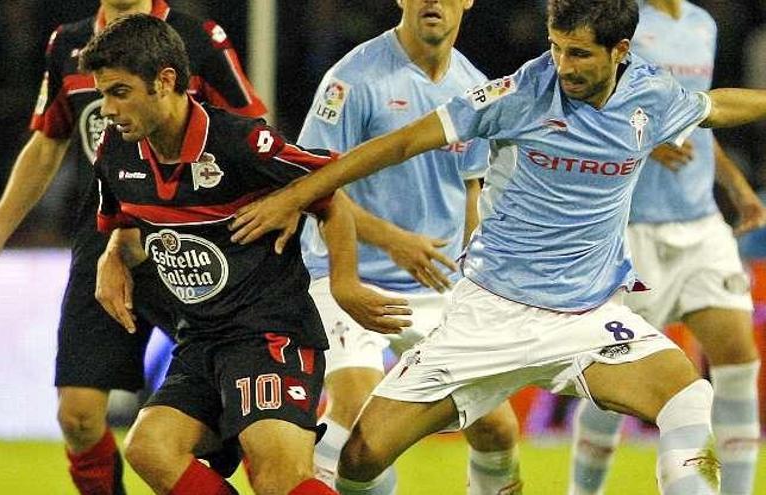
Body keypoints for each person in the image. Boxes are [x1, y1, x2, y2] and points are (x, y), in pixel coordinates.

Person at [229, 0, 766, 492]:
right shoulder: (516, 95)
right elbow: (401, 143)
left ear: (620, 52)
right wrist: (297, 194)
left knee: (689, 398)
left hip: (586, 315)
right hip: (487, 317)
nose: (564, 65)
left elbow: (715, 106)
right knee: (360, 459)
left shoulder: (652, 95)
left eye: (579, 53)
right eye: (556, 48)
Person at [83, 14, 410, 495]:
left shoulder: (239, 144)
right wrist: (110, 257)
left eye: (119, 91)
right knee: (149, 448)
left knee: (278, 479)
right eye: (103, 93)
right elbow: (124, 225)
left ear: (165, 81)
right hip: (199, 341)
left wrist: (344, 283)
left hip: (269, 335)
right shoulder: (117, 150)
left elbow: (330, 197)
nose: (107, 108)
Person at [0, 1, 266, 493]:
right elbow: (47, 143)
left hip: (189, 239)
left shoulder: (198, 37)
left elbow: (249, 133)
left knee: (245, 412)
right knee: (78, 414)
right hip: (105, 240)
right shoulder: (68, 44)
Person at [296, 0, 521, 492]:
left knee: (497, 427)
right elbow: (313, 183)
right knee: (358, 420)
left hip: (437, 283)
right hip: (347, 277)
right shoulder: (352, 79)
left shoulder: (475, 88)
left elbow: (471, 188)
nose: (433, 3)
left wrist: (475, 280)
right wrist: (394, 241)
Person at [567, 2, 764, 494]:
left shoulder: (703, 24)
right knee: (617, 382)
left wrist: (737, 188)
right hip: (634, 227)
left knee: (738, 361)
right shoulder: (618, 21)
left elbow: (700, 113)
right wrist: (643, 139)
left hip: (700, 222)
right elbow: (573, 105)